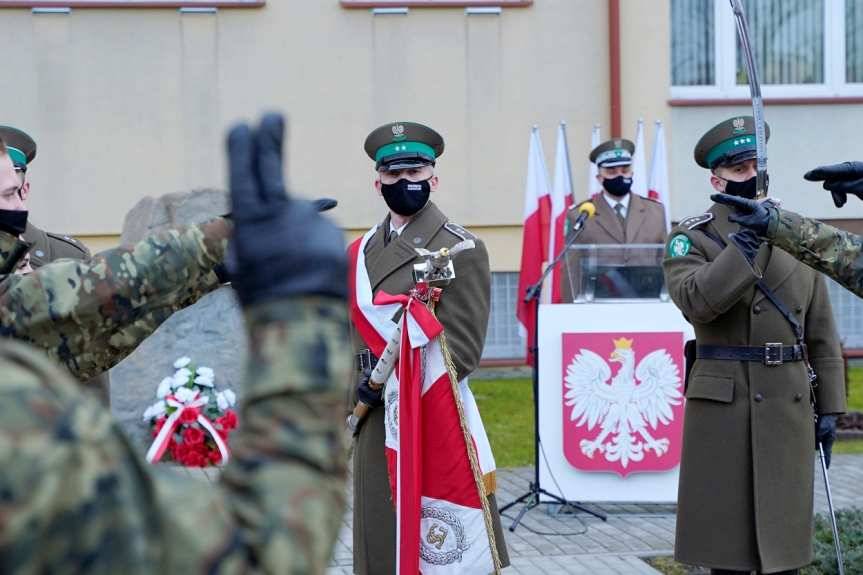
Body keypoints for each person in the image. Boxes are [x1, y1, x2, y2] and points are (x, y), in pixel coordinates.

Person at [0, 112, 351, 573]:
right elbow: (264, 556)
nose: (18, 203)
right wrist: (301, 313)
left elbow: (98, 302)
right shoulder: (21, 430)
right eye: (6, 194)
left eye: (16, 187)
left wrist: (222, 246)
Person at [662, 116, 845, 575]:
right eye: (738, 169)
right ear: (715, 178)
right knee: (728, 550)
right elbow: (698, 302)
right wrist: (744, 243)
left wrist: (831, 406)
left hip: (787, 399)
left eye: (755, 167)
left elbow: (821, 327)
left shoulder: (799, 232)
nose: (750, 177)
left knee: (784, 550)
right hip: (726, 405)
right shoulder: (693, 238)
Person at [349, 121, 508, 573]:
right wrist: (351, 408)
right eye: (394, 175)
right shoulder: (358, 253)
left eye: (415, 173)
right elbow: (351, 345)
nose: (405, 184)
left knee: (435, 547)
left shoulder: (460, 248)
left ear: (433, 178)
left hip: (426, 412)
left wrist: (399, 381)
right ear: (377, 181)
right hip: (373, 413)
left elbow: (464, 346)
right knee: (378, 543)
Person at [711, 161, 863, 298]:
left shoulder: (790, 247)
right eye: (739, 169)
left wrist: (775, 224)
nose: (753, 176)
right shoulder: (701, 234)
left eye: (758, 167)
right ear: (718, 183)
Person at [560, 138, 667, 301]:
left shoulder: (655, 211)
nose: (619, 175)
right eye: (611, 171)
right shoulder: (581, 215)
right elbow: (571, 269)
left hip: (648, 302)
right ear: (599, 177)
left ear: (632, 173)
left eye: (624, 170)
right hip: (598, 305)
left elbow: (667, 262)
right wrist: (571, 309)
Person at [0, 126, 92, 266]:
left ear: (24, 189)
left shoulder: (66, 256)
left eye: (13, 191)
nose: (21, 207)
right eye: (8, 194)